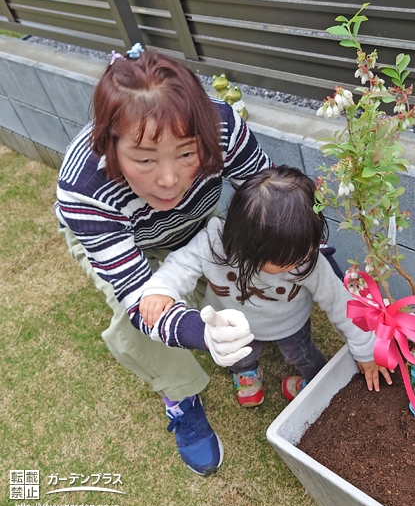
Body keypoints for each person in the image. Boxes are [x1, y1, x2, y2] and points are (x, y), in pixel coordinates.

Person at [54, 43, 272, 476]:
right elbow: (140, 299)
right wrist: (199, 334)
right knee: (138, 319)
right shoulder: (84, 188)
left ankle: (240, 343)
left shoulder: (223, 125)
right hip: (124, 239)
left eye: (188, 153)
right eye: (145, 159)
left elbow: (266, 191)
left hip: (195, 223)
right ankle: (180, 395)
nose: (170, 179)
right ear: (109, 142)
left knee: (230, 279)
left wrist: (314, 252)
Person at [139, 166, 393, 409]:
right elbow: (181, 265)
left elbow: (340, 302)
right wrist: (161, 288)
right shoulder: (213, 242)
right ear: (251, 248)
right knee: (240, 356)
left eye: (308, 247)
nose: (304, 259)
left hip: (290, 324)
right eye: (288, 259)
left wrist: (364, 349)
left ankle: (315, 382)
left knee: (303, 354)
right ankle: (246, 373)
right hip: (235, 327)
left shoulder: (308, 260)